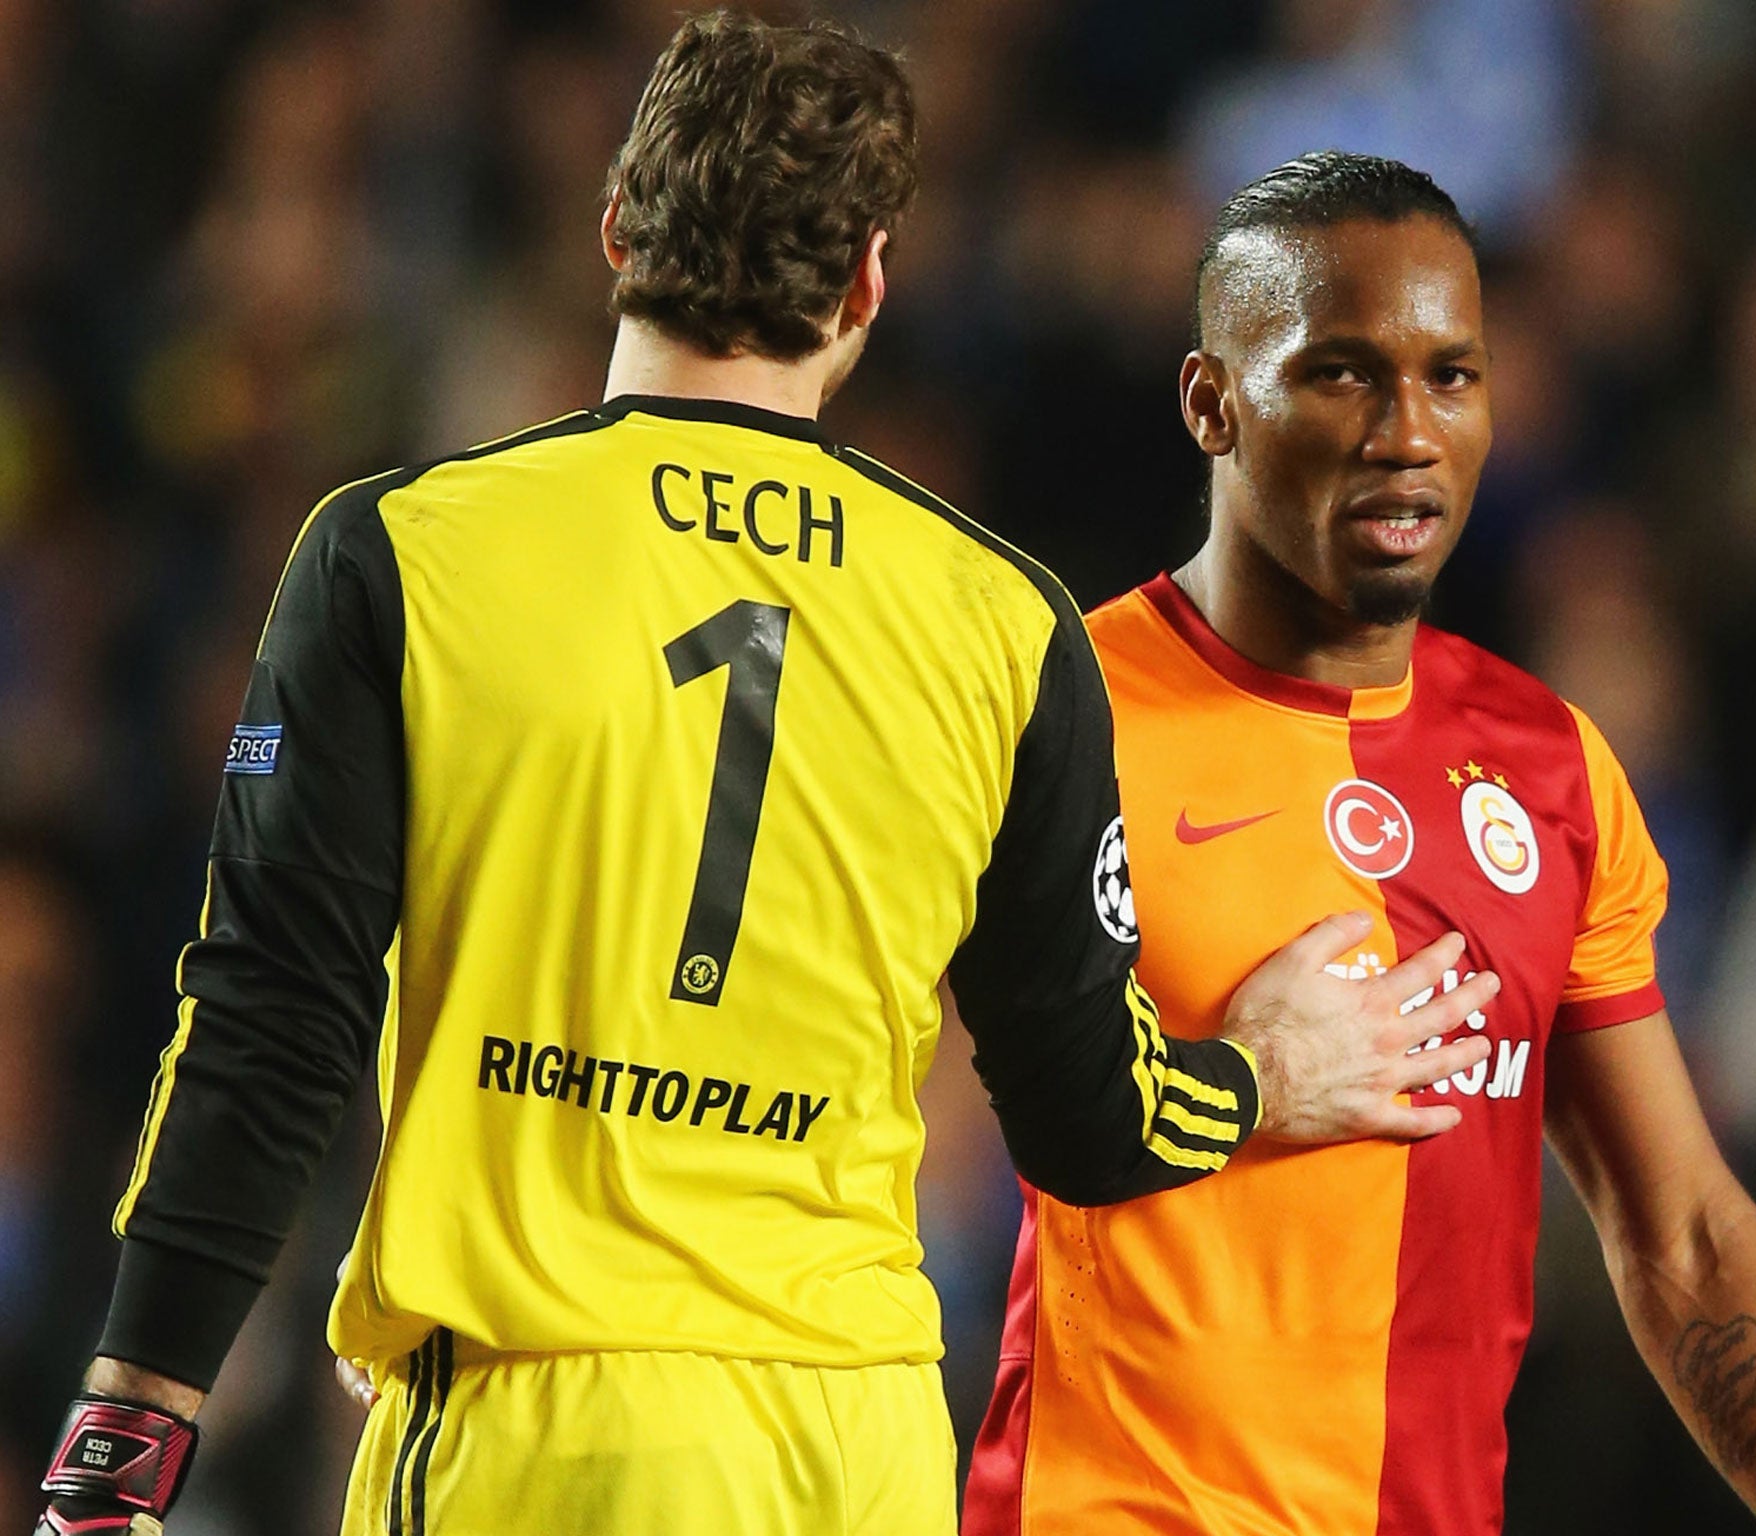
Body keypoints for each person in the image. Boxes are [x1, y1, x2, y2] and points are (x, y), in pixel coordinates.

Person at [31, 27, 1501, 1536]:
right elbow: (1086, 1118)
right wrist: (1264, 1075)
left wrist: (128, 1427)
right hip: (854, 1446)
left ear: (616, 231)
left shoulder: (404, 555)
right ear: (868, 281)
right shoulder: (1002, 622)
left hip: (544, 1430)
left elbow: (273, 1021)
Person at [962, 153, 1756, 1536]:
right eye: (1342, 372)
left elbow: (1686, 1239)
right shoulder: (1054, 715)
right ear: (1211, 402)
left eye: (1452, 376)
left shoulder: (1553, 769)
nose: (1409, 431)